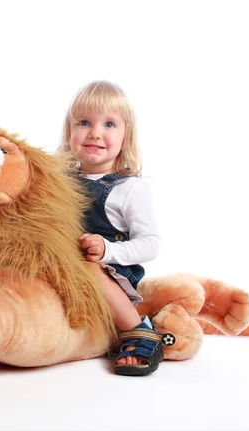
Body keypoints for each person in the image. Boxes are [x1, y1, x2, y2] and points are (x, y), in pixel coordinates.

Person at [58, 80, 164, 376]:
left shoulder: (129, 188)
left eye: (109, 124)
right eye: (84, 122)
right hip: (64, 270)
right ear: (70, 132)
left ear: (125, 136)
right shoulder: (58, 182)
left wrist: (108, 250)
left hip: (111, 273)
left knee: (87, 265)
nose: (95, 132)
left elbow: (151, 243)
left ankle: (139, 331)